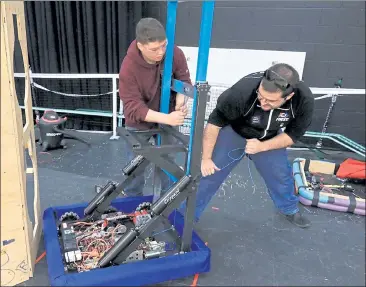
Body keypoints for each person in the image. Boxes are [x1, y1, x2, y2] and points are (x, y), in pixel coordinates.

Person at [182, 63, 314, 228]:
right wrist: (206, 158)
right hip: (235, 132)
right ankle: (187, 215)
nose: (263, 102)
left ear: (288, 96)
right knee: (209, 174)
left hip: (269, 139)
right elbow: (214, 124)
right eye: (261, 96)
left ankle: (289, 209)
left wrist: (262, 147)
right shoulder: (241, 92)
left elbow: (292, 135)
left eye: (271, 101)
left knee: (280, 175)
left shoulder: (304, 100)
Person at [118, 17, 191, 197]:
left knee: (167, 163)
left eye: (163, 45)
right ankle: (133, 203)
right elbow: (134, 107)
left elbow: (183, 80)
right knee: (136, 166)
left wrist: (180, 104)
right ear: (140, 46)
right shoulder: (128, 67)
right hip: (139, 125)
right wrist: (167, 118)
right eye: (154, 49)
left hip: (167, 119)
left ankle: (166, 202)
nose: (161, 52)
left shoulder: (174, 53)